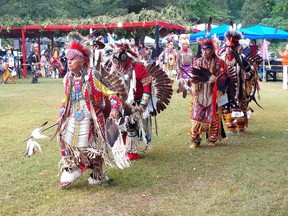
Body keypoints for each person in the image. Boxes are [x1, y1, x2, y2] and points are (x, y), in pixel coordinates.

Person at [55, 34, 126, 187]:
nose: (69, 62)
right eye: (67, 59)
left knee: (95, 147)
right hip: (75, 116)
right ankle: (71, 166)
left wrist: (114, 108)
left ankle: (97, 173)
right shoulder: (67, 78)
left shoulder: (93, 75)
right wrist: (61, 116)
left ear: (81, 60)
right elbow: (66, 101)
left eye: (72, 59)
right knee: (62, 136)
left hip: (94, 118)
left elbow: (112, 92)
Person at [110, 43, 152, 160]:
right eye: (116, 62)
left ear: (125, 57)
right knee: (121, 124)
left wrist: (143, 104)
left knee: (131, 125)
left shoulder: (137, 67)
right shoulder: (116, 69)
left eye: (120, 61)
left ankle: (132, 152)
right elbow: (112, 88)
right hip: (121, 101)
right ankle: (124, 148)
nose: (118, 64)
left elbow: (147, 85)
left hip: (136, 102)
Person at [190, 38, 229, 148]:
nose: (204, 52)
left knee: (213, 117)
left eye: (207, 50)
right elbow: (193, 76)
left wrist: (217, 79)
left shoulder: (219, 62)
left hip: (214, 94)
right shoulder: (198, 62)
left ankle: (212, 139)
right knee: (196, 116)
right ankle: (195, 140)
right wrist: (194, 83)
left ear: (212, 50)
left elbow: (226, 77)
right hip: (200, 93)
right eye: (203, 50)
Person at [221, 30, 259, 134]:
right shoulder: (221, 59)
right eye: (227, 47)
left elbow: (250, 71)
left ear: (235, 48)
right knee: (226, 107)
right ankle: (231, 127)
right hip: (225, 88)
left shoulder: (241, 60)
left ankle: (240, 127)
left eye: (231, 47)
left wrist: (248, 75)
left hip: (239, 89)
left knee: (239, 107)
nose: (228, 49)